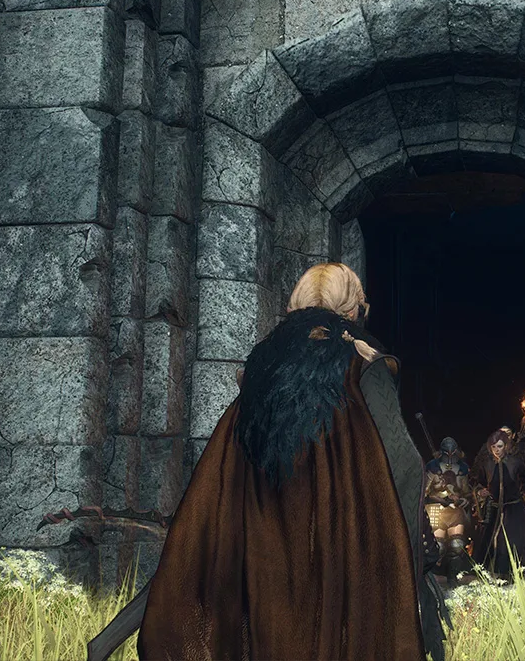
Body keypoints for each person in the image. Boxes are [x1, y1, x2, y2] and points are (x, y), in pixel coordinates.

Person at [118, 263, 442, 661]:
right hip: (337, 540)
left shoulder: (262, 367)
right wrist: (408, 560)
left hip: (263, 538)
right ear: (354, 309)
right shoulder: (364, 362)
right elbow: (404, 465)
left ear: (294, 306)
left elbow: (227, 463)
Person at [469, 428, 525, 578]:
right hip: (493, 508)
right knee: (487, 539)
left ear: (505, 446)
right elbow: (478, 483)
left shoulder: (516, 463)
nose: (496, 450)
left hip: (513, 507)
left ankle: (507, 574)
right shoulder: (486, 464)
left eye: (499, 446)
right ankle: (484, 573)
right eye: (493, 447)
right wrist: (480, 491)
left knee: (509, 541)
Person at [423, 437, 474, 583]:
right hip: (436, 511)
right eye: (447, 453)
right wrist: (440, 499)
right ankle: (431, 580)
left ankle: (453, 579)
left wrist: (464, 499)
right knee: (437, 546)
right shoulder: (433, 468)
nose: (450, 457)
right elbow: (425, 493)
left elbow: (466, 492)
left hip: (455, 512)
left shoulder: (462, 468)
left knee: (457, 545)